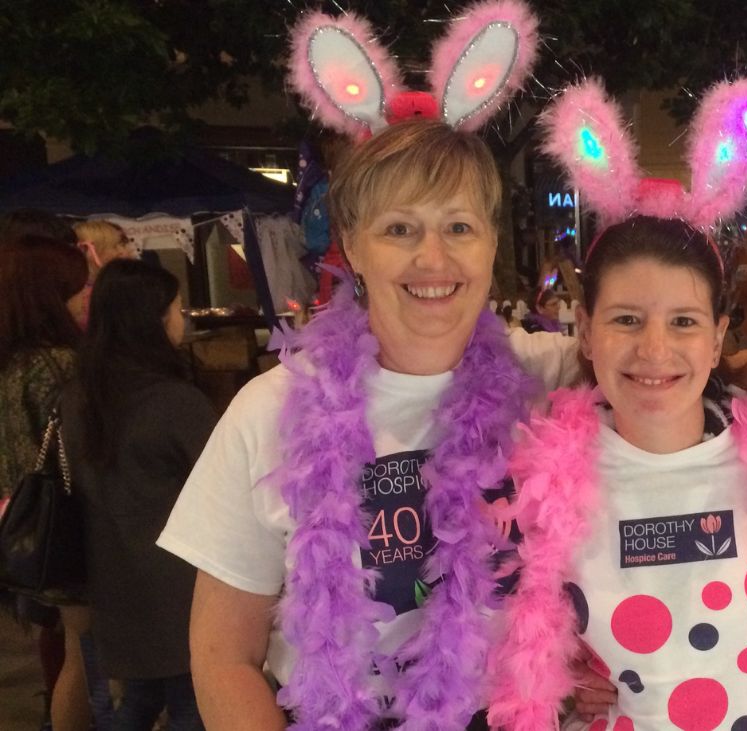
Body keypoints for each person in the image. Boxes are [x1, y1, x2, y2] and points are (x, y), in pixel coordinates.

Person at [157, 120, 579, 730]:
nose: (432, 257)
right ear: (353, 246)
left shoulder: (546, 383)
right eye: (399, 229)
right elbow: (224, 656)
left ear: (491, 243)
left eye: (459, 226)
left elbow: (699, 365)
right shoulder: (268, 412)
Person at [487, 216, 747, 730]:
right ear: (588, 334)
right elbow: (520, 645)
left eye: (683, 321)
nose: (654, 350)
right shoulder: (545, 482)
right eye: (627, 320)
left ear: (716, 336)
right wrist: (559, 683)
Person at [60, 259, 216, 731]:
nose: (183, 318)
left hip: (112, 584)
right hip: (181, 591)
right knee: (194, 707)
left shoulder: (77, 396)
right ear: (152, 319)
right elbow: (224, 489)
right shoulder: (175, 402)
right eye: (177, 308)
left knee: (139, 700)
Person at [0, 235, 92, 731]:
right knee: (79, 651)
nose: (85, 296)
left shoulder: (10, 359)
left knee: (52, 641)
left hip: (18, 526)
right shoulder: (58, 363)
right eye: (77, 287)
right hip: (58, 524)